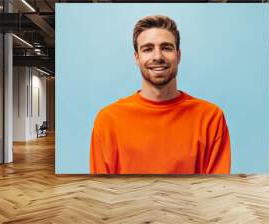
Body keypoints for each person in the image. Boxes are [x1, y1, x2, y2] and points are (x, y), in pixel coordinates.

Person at [90, 15, 231, 174]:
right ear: (137, 57)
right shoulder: (108, 120)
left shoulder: (210, 117)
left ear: (178, 56)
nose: (157, 57)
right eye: (148, 49)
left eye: (166, 48)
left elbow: (216, 189)